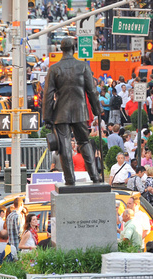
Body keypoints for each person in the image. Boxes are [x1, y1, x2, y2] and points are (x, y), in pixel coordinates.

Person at [43, 38, 102, 185]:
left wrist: (47, 117)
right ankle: (95, 176)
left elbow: (48, 95)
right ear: (74, 49)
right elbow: (92, 91)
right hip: (80, 111)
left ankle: (70, 180)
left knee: (64, 145)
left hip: (61, 113)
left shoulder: (54, 68)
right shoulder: (82, 66)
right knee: (84, 142)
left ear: (61, 50)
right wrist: (97, 110)